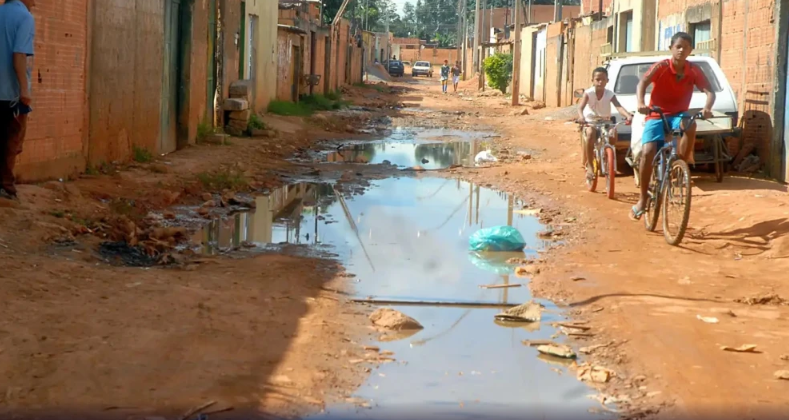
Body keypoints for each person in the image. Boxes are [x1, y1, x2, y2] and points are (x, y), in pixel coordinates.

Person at [630, 31, 715, 221]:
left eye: (686, 47)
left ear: (691, 50)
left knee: (690, 125)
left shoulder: (694, 70)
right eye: (678, 46)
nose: (682, 50)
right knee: (648, 152)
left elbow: (710, 92)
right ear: (671, 48)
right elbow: (643, 82)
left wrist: (707, 108)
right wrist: (641, 102)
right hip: (656, 113)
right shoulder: (661, 66)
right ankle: (642, 199)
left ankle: (680, 164)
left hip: (679, 114)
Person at [0, 0, 35, 201]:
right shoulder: (25, 17)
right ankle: (6, 187)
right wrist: (24, 89)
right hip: (11, 92)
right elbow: (19, 55)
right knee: (13, 140)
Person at [576, 67, 632, 182]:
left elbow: (618, 106)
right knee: (590, 133)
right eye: (597, 79)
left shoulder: (609, 94)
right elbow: (580, 107)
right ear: (592, 80)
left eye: (603, 79)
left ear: (607, 81)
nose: (600, 82)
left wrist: (627, 115)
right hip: (591, 121)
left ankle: (608, 158)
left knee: (612, 133)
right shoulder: (588, 93)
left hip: (605, 121)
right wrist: (581, 117)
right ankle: (590, 166)